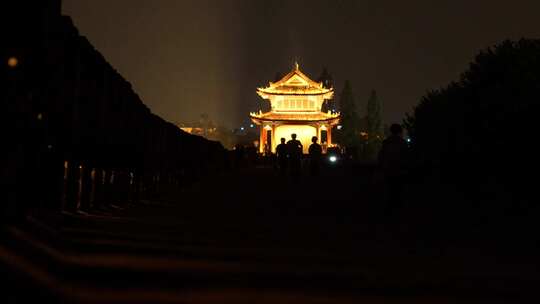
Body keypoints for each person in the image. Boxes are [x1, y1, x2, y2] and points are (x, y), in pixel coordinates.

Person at [377, 123, 409, 211]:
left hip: (388, 170)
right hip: (399, 171)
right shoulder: (403, 143)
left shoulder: (386, 142)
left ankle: (390, 209)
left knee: (390, 191)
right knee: (398, 191)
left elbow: (381, 156)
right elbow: (406, 157)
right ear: (400, 131)